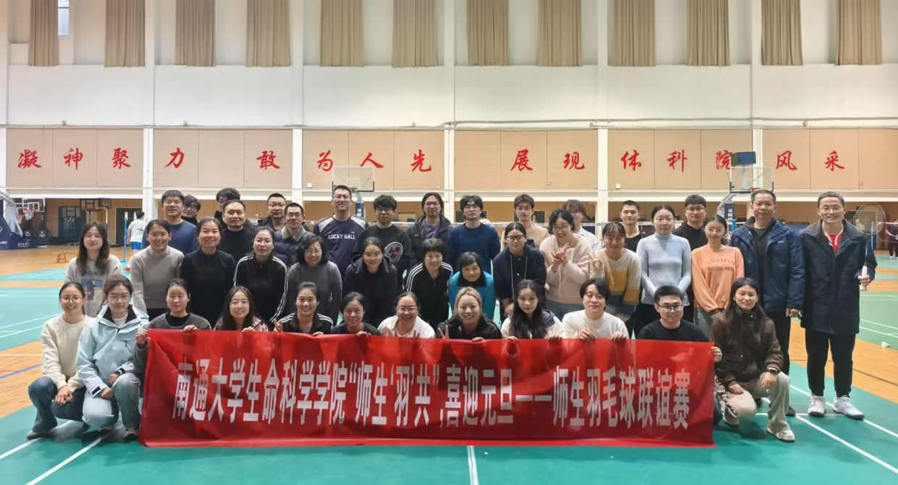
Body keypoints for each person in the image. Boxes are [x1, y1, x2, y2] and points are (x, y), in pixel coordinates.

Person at [801, 191, 877, 420]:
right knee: (816, 356)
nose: (831, 212)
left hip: (846, 306)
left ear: (844, 210)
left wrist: (867, 276)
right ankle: (817, 397)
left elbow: (869, 265)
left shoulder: (859, 238)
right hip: (815, 306)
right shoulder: (806, 237)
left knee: (844, 357)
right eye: (826, 207)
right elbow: (800, 270)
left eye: (835, 207)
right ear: (818, 211)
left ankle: (843, 398)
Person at [730, 189, 803, 384]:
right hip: (747, 303)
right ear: (752, 206)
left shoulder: (788, 235)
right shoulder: (738, 235)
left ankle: (780, 392)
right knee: (747, 348)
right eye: (759, 204)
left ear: (775, 207)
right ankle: (752, 390)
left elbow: (797, 269)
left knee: (779, 348)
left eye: (767, 204)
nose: (763, 207)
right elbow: (733, 269)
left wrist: (794, 301)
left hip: (778, 303)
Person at [712, 277, 795, 442]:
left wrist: (771, 370)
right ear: (733, 296)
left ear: (757, 297)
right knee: (746, 412)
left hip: (757, 378)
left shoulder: (767, 323)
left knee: (782, 380)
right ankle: (729, 409)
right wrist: (729, 382)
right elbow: (717, 360)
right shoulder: (721, 323)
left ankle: (777, 425)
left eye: (751, 294)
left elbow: (775, 351)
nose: (746, 298)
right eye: (742, 293)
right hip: (732, 382)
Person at [637, 285, 723, 425]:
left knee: (715, 415)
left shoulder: (695, 332)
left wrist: (715, 358)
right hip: (658, 386)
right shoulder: (647, 333)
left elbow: (706, 362)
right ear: (657, 307)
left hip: (688, 385)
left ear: (683, 306)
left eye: (676, 306)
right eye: (667, 306)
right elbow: (640, 365)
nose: (672, 311)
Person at [76, 276, 146, 441]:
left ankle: (132, 425)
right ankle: (110, 415)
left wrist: (121, 371)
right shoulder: (92, 326)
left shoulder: (142, 324)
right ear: (106, 297)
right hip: (102, 382)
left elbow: (142, 358)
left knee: (124, 383)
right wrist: (100, 388)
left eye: (123, 296)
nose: (119, 301)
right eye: (114, 296)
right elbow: (83, 363)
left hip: (129, 379)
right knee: (96, 418)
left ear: (130, 297)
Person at [27, 283, 92, 439]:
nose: (71, 302)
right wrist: (62, 385)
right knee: (38, 387)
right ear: (60, 300)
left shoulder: (92, 326)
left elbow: (90, 363)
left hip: (85, 381)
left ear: (83, 300)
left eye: (75, 298)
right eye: (66, 298)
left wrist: (70, 386)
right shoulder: (50, 326)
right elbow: (50, 362)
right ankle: (45, 422)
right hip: (60, 382)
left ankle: (90, 418)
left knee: (64, 408)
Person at [133, 279, 212, 379]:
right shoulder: (154, 326)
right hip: (162, 380)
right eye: (172, 296)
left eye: (180, 296)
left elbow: (210, 358)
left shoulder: (202, 325)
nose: (176, 300)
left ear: (188, 297)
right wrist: (141, 345)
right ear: (166, 298)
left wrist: (198, 338)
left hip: (192, 379)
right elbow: (140, 367)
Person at [633, 205, 691, 337]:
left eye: (668, 219)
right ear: (652, 221)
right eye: (659, 219)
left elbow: (687, 274)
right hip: (651, 302)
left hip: (677, 303)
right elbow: (642, 274)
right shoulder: (644, 243)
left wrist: (676, 295)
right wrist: (658, 296)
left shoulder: (683, 243)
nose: (664, 222)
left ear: (674, 221)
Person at [691, 215, 744, 337]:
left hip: (730, 309)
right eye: (710, 229)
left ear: (725, 231)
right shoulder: (696, 254)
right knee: (707, 345)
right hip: (704, 310)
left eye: (719, 229)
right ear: (704, 229)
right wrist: (713, 310)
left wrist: (729, 306)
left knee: (731, 344)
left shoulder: (735, 252)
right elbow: (698, 285)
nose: (714, 233)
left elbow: (739, 281)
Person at [180, 218, 236, 325]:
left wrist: (225, 316)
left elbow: (231, 291)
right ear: (197, 235)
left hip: (222, 316)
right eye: (205, 231)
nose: (210, 235)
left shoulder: (228, 260)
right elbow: (184, 290)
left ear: (220, 235)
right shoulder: (188, 260)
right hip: (194, 315)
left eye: (214, 231)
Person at [540, 209, 591, 318]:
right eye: (556, 227)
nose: (560, 231)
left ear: (571, 225)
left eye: (564, 226)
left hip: (576, 302)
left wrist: (566, 262)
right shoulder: (546, 245)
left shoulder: (583, 245)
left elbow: (583, 278)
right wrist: (554, 266)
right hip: (551, 301)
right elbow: (543, 279)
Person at [129, 219, 184, 319]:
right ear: (147, 237)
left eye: (163, 234)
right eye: (154, 234)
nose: (159, 238)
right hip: (146, 308)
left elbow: (180, 287)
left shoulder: (178, 256)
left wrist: (176, 311)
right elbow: (137, 292)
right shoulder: (138, 259)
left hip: (171, 307)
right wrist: (143, 317)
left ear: (169, 236)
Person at [65, 223, 123, 317]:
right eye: (88, 235)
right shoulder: (74, 264)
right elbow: (68, 291)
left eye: (97, 236)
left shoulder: (113, 263)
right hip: (78, 315)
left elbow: (115, 292)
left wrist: (101, 316)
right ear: (82, 239)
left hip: (106, 316)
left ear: (103, 239)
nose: (92, 239)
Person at [234, 226, 288, 327]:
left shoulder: (280, 267)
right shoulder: (243, 264)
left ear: (273, 245)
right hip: (246, 319)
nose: (262, 245)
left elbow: (282, 299)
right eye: (259, 240)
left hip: (271, 321)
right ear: (253, 243)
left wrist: (272, 320)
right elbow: (236, 293)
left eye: (267, 241)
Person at [493, 222, 547, 320]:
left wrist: (527, 302)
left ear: (525, 238)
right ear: (505, 239)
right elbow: (501, 289)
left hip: (534, 303)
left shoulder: (536, 256)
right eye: (512, 238)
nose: (515, 241)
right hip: (510, 307)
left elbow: (540, 282)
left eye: (519, 237)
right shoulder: (498, 261)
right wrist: (507, 306)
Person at [589, 222, 641, 322]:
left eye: (618, 238)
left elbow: (633, 290)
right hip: (601, 310)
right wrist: (598, 270)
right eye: (610, 238)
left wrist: (622, 317)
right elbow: (596, 288)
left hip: (626, 312)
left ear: (624, 239)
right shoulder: (598, 256)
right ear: (603, 239)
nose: (614, 242)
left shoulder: (633, 259)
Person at [284, 235, 342, 323]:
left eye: (316, 250)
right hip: (299, 318)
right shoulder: (294, 270)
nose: (313, 254)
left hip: (325, 318)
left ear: (322, 252)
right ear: (303, 252)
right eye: (309, 251)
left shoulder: (332, 269)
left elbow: (337, 299)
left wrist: (330, 322)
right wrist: (295, 321)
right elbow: (290, 299)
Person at [343, 237, 401, 326]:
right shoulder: (352, 271)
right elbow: (348, 300)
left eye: (377, 254)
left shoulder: (391, 271)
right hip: (358, 317)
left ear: (383, 254)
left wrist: (383, 324)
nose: (372, 258)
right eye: (368, 254)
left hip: (383, 317)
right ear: (362, 255)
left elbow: (390, 302)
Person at [355, 194, 414, 281]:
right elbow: (356, 256)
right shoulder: (365, 234)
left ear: (393, 212)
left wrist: (386, 270)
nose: (383, 212)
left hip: (393, 282)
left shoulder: (402, 236)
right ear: (375, 211)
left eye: (387, 209)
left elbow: (407, 260)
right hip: (368, 281)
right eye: (380, 209)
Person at [314, 185, 366, 275]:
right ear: (332, 201)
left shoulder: (362, 225)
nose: (342, 200)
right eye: (338, 197)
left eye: (345, 197)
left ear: (351, 202)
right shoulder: (321, 225)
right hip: (329, 275)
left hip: (355, 276)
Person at [552, 279, 628, 341]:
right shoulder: (569, 319)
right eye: (589, 295)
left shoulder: (618, 324)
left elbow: (628, 354)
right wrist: (576, 339)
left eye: (599, 296)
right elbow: (565, 351)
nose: (594, 300)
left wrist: (621, 343)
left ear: (606, 302)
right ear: (582, 299)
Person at [404, 238, 452, 330]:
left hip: (440, 310)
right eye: (430, 256)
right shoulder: (414, 273)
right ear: (424, 257)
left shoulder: (448, 270)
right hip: (420, 310)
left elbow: (448, 292)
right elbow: (408, 297)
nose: (434, 260)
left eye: (438, 256)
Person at [674, 194, 709, 323]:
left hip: (706, 288)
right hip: (685, 290)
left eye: (699, 208)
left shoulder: (710, 233)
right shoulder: (677, 235)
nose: (695, 212)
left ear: (705, 211)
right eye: (691, 209)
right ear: (685, 212)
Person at [446, 195, 500, 272]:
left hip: (484, 276)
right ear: (463, 211)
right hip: (460, 276)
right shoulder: (454, 233)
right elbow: (450, 259)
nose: (471, 210)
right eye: (468, 207)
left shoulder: (491, 232)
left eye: (475, 207)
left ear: (481, 210)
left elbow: (496, 259)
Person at [449, 252, 497, 321]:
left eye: (475, 269)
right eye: (467, 269)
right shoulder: (454, 281)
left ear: (480, 268)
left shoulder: (489, 282)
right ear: (461, 270)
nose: (471, 273)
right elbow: (455, 309)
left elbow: (488, 311)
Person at [408, 192, 453, 265]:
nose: (432, 206)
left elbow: (450, 254)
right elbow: (410, 254)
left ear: (441, 207)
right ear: (423, 207)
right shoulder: (412, 230)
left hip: (442, 269)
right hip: (418, 268)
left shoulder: (450, 230)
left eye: (435, 203)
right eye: (428, 204)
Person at [153, 190, 199, 255]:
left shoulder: (193, 230)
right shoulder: (153, 228)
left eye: (176, 202)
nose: (172, 205)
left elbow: (194, 256)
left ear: (183, 206)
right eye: (168, 202)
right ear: (162, 206)